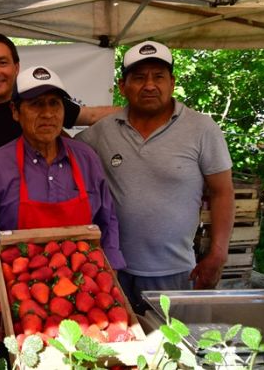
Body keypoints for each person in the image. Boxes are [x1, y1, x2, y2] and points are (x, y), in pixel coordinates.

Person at [75, 40, 234, 314]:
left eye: (158, 76)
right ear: (123, 87)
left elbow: (223, 192)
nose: (149, 85)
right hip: (112, 270)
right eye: (138, 78)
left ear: (172, 83)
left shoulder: (202, 128)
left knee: (177, 353)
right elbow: (58, 144)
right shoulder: (101, 132)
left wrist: (218, 253)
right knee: (119, 354)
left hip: (177, 274)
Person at [0, 66, 125, 268]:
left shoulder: (86, 158)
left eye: (55, 104)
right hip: (22, 280)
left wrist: (109, 265)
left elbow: (108, 218)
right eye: (37, 104)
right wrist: (13, 257)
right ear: (15, 111)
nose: (48, 114)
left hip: (83, 279)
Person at [0, 33, 120, 186]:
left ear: (16, 67)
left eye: (2, 63)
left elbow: (91, 116)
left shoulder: (44, 102)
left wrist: (134, 113)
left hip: (40, 203)